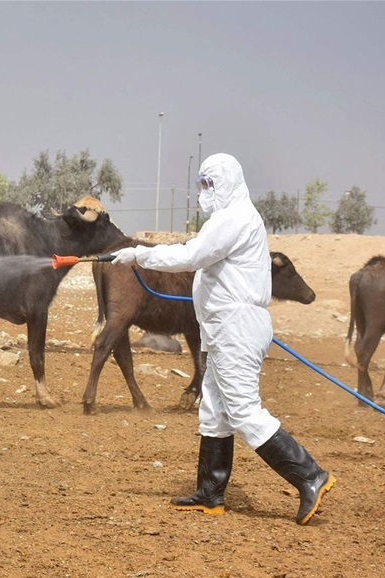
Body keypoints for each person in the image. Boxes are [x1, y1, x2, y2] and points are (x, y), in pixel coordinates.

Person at [110, 153, 335, 525]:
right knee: (214, 410)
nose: (204, 192)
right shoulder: (230, 218)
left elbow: (193, 254)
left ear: (228, 182)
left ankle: (310, 475)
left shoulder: (235, 218)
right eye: (201, 184)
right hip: (223, 328)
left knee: (244, 410)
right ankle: (210, 492)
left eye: (209, 184)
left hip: (237, 327)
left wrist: (138, 254)